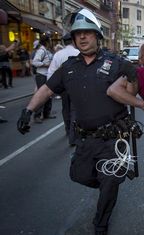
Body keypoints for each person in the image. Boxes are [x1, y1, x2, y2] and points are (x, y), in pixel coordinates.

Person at [17, 8, 137, 235]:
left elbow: (133, 91)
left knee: (110, 183)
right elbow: (46, 89)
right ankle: (106, 183)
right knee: (79, 175)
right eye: (78, 34)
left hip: (113, 138)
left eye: (88, 33)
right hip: (86, 138)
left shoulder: (116, 62)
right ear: (73, 39)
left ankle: (101, 223)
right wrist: (28, 110)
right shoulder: (68, 67)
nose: (82, 37)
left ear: (97, 36)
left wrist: (132, 76)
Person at [47, 33, 80, 146]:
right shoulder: (78, 52)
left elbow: (51, 72)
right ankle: (73, 134)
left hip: (64, 87)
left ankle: (68, 129)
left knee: (65, 108)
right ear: (73, 41)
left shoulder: (58, 54)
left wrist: (51, 89)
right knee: (74, 110)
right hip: (77, 86)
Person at [32, 34, 55, 123]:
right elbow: (35, 62)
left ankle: (46, 114)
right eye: (50, 40)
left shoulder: (47, 50)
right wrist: (46, 65)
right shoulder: (41, 51)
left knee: (48, 95)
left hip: (47, 75)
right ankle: (37, 115)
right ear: (46, 41)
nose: (51, 42)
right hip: (41, 75)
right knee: (41, 95)